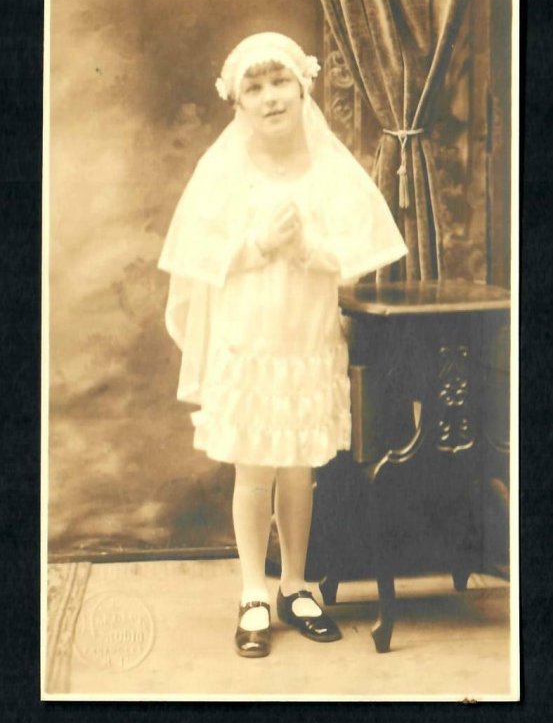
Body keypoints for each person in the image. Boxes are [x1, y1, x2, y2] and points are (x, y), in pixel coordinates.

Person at [158, 32, 407, 658]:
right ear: (237, 102)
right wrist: (260, 245)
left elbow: (352, 250)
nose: (271, 98)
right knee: (255, 466)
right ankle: (253, 590)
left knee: (301, 465)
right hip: (250, 333)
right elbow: (200, 254)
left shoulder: (327, 167)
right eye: (255, 86)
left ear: (303, 87)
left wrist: (307, 249)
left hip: (306, 330)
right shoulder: (223, 170)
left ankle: (296, 584)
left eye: (280, 83)